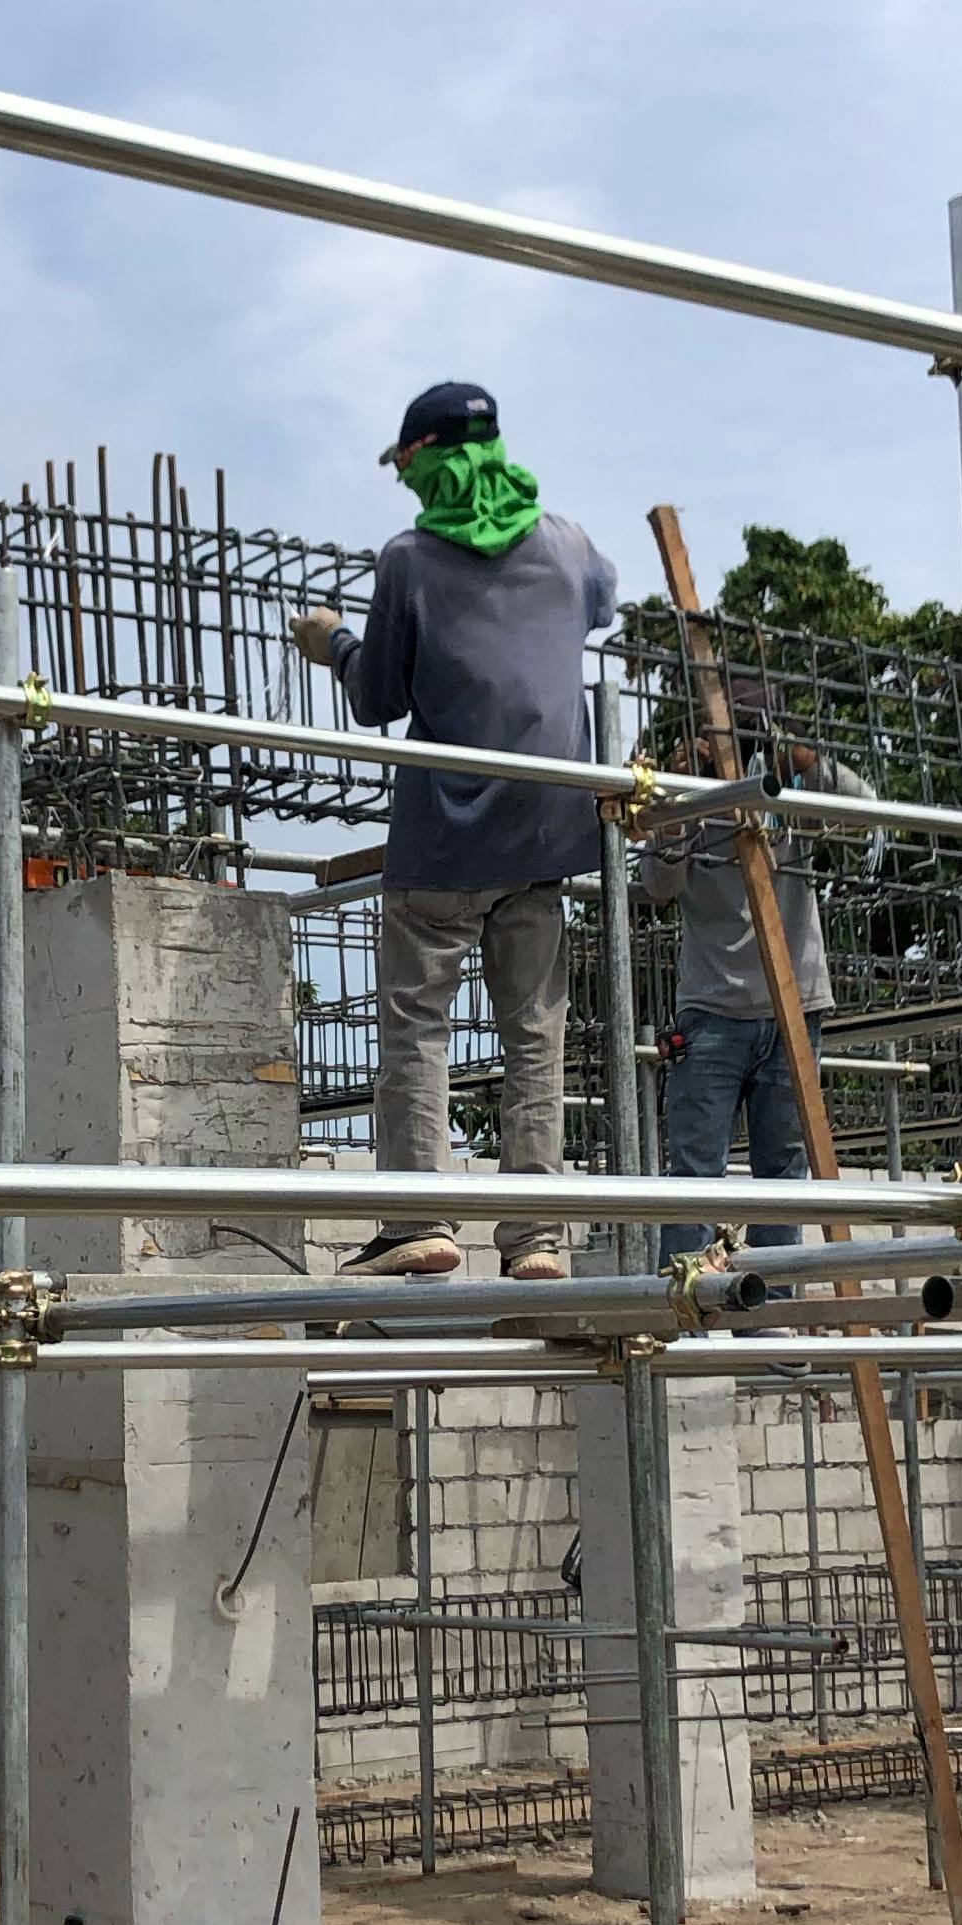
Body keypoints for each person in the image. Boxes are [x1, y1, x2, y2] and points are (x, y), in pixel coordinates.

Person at [291, 382, 616, 1284]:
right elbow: (600, 604)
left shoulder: (409, 559)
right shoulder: (571, 545)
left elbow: (378, 698)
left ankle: (417, 1220)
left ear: (425, 458)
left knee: (416, 1029)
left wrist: (332, 643)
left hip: (442, 839)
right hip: (547, 834)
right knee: (535, 1039)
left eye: (405, 465)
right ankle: (536, 1236)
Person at [637, 675, 876, 1267]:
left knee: (784, 1173)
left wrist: (805, 760)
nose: (740, 748)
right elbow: (658, 884)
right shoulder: (692, 798)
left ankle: (777, 1302)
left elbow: (866, 811)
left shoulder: (788, 797)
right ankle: (686, 1304)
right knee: (696, 1172)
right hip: (712, 1012)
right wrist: (675, 806)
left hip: (794, 1006)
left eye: (753, 734)